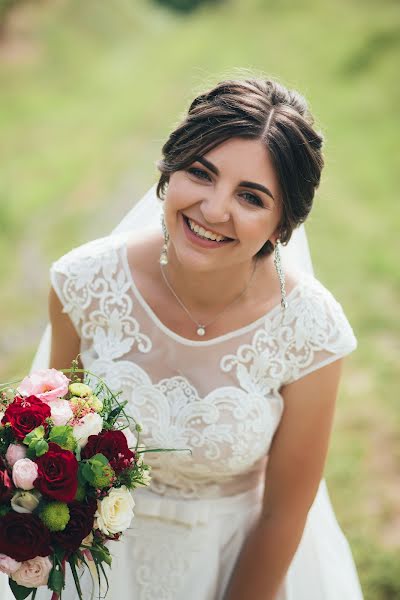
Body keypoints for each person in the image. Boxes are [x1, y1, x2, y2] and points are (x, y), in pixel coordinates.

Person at [1, 77, 364, 600]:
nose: (215, 210)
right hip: (96, 568)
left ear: (283, 224)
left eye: (251, 197)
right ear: (169, 171)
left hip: (232, 563)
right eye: (200, 173)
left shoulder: (311, 331)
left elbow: (286, 511)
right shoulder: (84, 284)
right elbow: (48, 446)